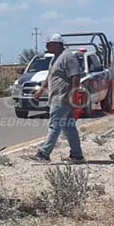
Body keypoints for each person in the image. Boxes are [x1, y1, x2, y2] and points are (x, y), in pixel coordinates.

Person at [30, 34, 85, 163]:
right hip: (56, 96)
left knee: (54, 126)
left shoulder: (68, 57)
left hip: (62, 97)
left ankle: (44, 154)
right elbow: (50, 75)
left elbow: (75, 77)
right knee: (69, 127)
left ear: (57, 44)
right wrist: (41, 90)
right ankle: (77, 155)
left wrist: (73, 95)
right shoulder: (56, 58)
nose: (46, 46)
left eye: (49, 44)